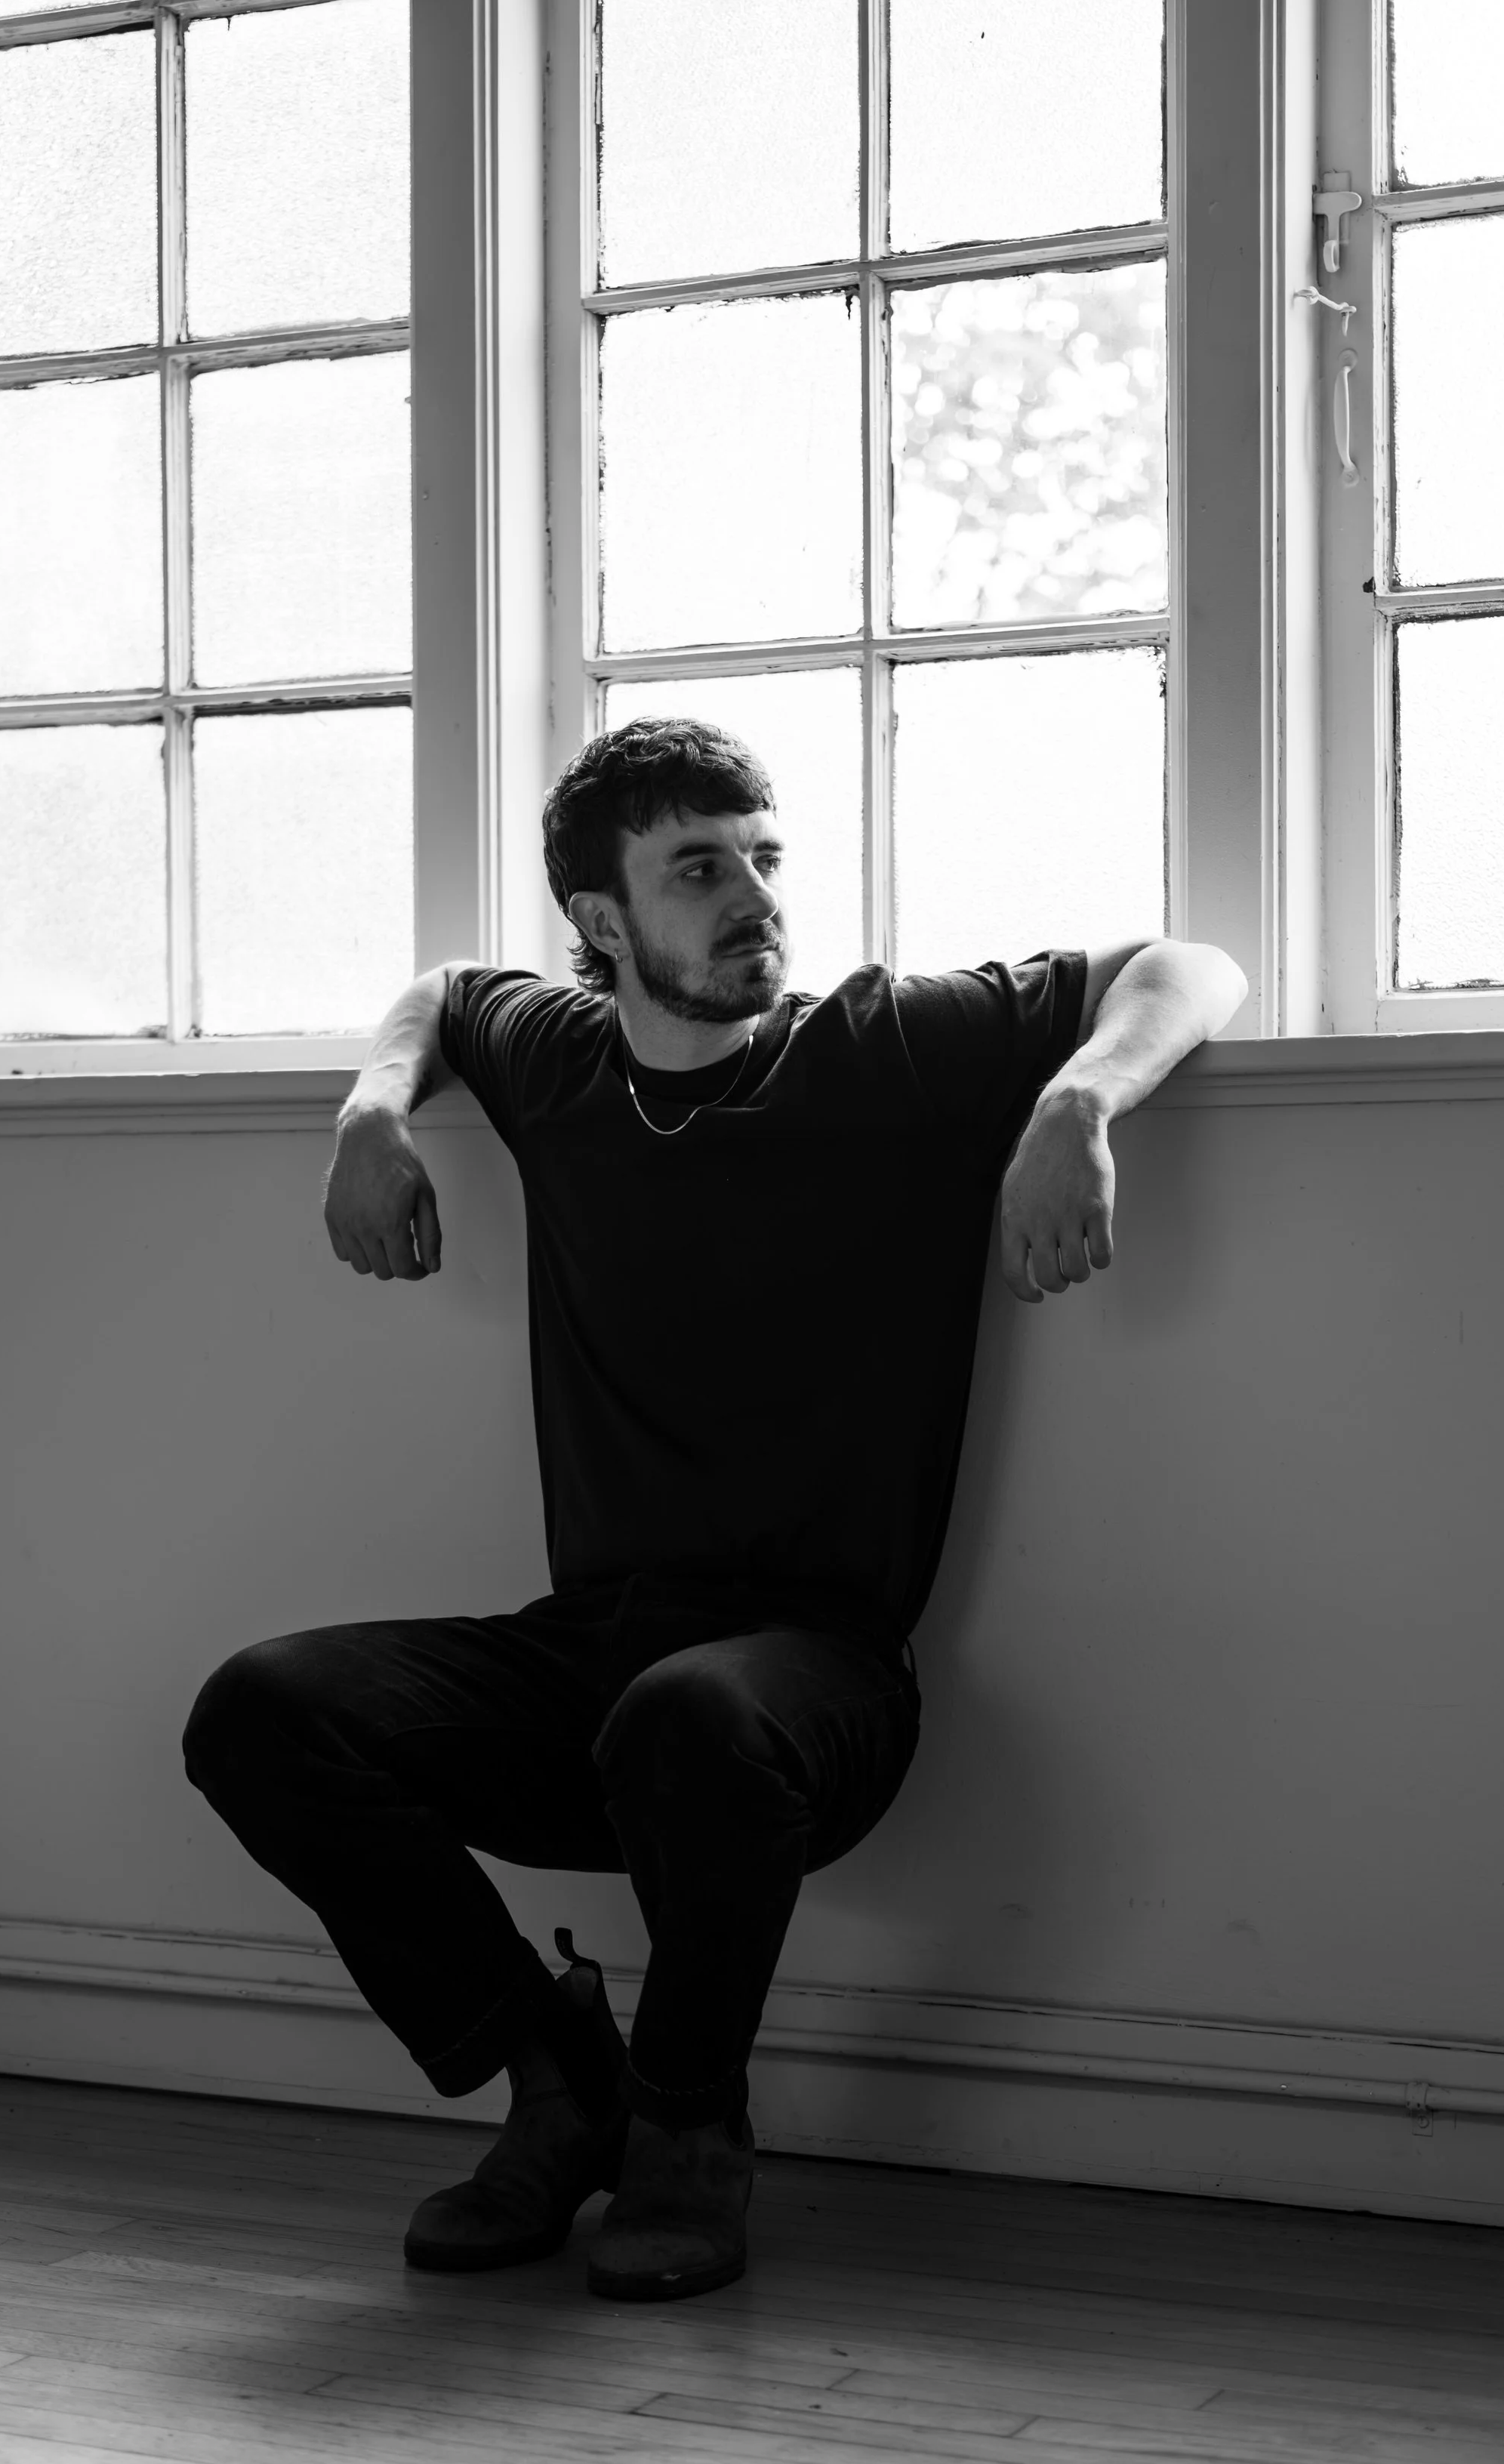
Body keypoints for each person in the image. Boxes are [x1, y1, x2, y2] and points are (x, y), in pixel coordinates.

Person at [183, 717, 1247, 2303]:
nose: (752, 897)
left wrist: (1074, 1107)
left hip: (808, 1684)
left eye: (763, 858)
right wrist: (366, 1111)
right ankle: (557, 2077)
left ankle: (686, 2125)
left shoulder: (878, 1049)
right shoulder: (559, 1067)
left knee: (689, 1716)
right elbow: (446, 998)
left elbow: (1185, 965)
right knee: (260, 1711)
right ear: (604, 926)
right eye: (698, 869)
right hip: (588, 1659)